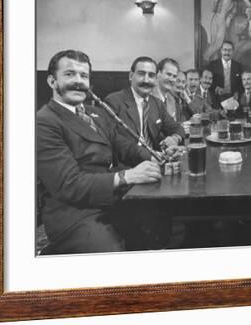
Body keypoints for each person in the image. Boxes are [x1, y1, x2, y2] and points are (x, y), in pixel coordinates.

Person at [36, 50, 164, 255]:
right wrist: (127, 176)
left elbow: (123, 145)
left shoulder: (95, 112)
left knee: (163, 221)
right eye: (69, 74)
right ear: (52, 81)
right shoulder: (44, 122)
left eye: (84, 75)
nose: (78, 81)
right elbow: (70, 185)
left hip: (111, 200)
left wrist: (156, 157)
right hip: (75, 213)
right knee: (113, 252)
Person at [105, 56, 185, 151]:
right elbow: (115, 142)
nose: (146, 80)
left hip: (156, 158)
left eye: (151, 75)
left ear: (155, 78)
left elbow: (177, 127)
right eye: (141, 74)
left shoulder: (157, 104)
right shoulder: (114, 101)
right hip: (129, 162)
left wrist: (174, 138)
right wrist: (148, 157)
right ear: (131, 76)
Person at [208, 40, 243, 107]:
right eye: (225, 50)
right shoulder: (213, 65)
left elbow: (241, 84)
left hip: (233, 100)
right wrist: (216, 88)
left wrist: (237, 92)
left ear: (233, 51)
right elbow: (208, 82)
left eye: (229, 50)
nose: (227, 52)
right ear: (221, 50)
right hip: (217, 100)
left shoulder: (238, 66)